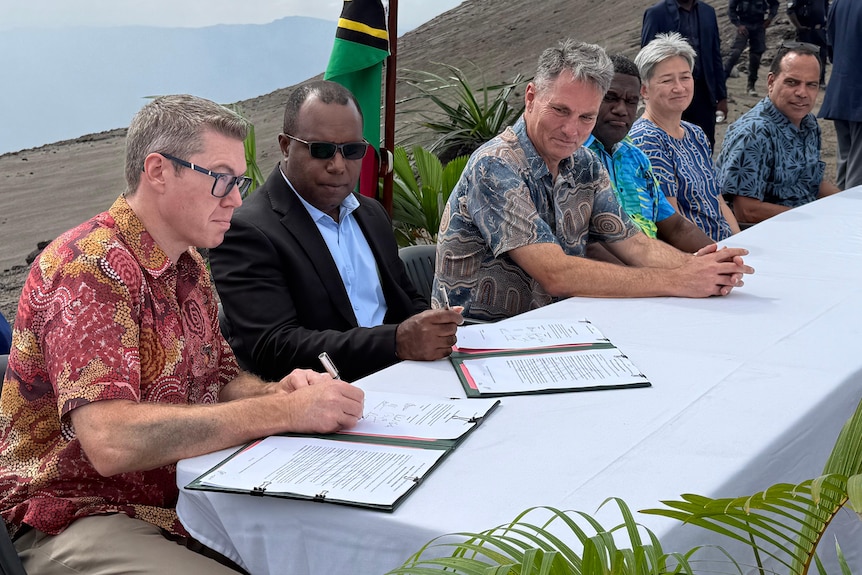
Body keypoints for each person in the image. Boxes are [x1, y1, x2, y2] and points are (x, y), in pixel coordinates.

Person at [0, 94, 364, 575]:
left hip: (182, 496)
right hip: (75, 513)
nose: (236, 198)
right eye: (220, 179)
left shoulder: (188, 266)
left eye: (240, 181)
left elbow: (221, 381)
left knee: (330, 548)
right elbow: (110, 442)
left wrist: (279, 389)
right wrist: (281, 411)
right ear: (158, 172)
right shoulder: (89, 268)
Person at [433, 39, 753, 323]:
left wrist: (703, 267)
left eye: (586, 117)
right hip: (479, 340)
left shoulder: (583, 163)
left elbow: (635, 245)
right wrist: (679, 280)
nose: (571, 130)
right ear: (531, 97)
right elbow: (555, 273)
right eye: (560, 110)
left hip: (559, 326)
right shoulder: (495, 166)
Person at [209, 80, 462, 383]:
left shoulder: (371, 214)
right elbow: (275, 348)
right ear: (286, 146)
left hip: (405, 379)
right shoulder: (247, 230)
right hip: (317, 401)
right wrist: (395, 342)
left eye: (352, 150)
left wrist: (433, 326)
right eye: (322, 150)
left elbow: (404, 299)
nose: (338, 165)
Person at [585, 53, 713, 254]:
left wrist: (722, 258)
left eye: (631, 101)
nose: (621, 110)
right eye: (610, 98)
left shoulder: (635, 157)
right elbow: (591, 249)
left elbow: (676, 227)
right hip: (616, 279)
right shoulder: (572, 157)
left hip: (655, 266)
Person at [630, 33, 741, 242]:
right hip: (699, 255)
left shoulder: (695, 133)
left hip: (725, 246)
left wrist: (740, 243)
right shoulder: (647, 140)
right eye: (666, 80)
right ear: (644, 90)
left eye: (685, 77)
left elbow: (718, 202)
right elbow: (673, 225)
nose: (679, 88)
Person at [717, 43, 841, 224]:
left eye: (811, 85)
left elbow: (812, 183)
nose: (802, 93)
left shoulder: (808, 124)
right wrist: (813, 219)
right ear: (771, 82)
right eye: (792, 82)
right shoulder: (754, 134)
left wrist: (847, 205)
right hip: (766, 235)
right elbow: (746, 211)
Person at [642, 0, 728, 148]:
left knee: (705, 144)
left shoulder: (708, 12)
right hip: (670, 94)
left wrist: (722, 96)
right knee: (669, 144)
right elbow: (647, 61)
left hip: (703, 94)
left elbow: (715, 56)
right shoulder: (656, 14)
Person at [819, 0, 862, 190]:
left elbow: (831, 48)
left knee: (845, 161)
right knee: (858, 172)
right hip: (858, 95)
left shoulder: (839, 2)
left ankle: (840, 212)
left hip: (841, 90)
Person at [723, 0, 779, 96]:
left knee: (756, 56)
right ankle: (721, 81)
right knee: (735, 52)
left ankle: (751, 85)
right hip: (744, 24)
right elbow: (731, 9)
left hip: (759, 24)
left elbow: (775, 4)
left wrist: (769, 19)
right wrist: (738, 24)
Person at [787, 0, 830, 86]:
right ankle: (802, 79)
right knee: (804, 56)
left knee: (822, 55)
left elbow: (826, 9)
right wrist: (798, 26)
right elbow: (790, 10)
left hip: (820, 30)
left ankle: (820, 80)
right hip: (805, 30)